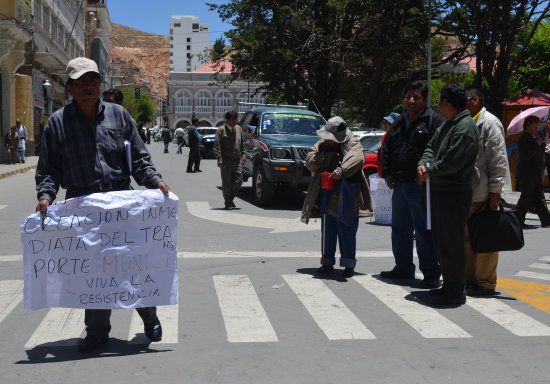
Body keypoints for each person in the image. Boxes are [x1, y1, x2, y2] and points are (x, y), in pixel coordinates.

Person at [35, 57, 171, 353]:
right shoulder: (58, 123)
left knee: (130, 263)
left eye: (93, 81)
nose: (88, 86)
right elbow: (49, 170)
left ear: (99, 84)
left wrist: (155, 181)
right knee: (94, 271)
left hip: (120, 199)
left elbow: (139, 159)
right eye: (81, 82)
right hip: (81, 205)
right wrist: (46, 196)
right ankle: (97, 333)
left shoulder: (119, 116)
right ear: (69, 87)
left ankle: (149, 315)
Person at [417, 83, 479, 306]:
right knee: (441, 243)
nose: (438, 104)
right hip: (439, 191)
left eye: (440, 100)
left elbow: (452, 162)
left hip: (453, 194)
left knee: (451, 244)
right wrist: (423, 164)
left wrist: (429, 169)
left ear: (449, 103)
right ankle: (449, 285)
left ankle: (455, 291)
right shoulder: (448, 124)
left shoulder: (465, 128)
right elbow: (431, 146)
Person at [379, 81, 445, 288]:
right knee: (399, 229)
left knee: (424, 230)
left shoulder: (434, 120)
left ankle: (431, 274)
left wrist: (425, 172)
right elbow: (387, 148)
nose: (410, 100)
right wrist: (388, 175)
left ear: (424, 100)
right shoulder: (399, 121)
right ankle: (403, 268)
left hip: (420, 185)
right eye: (408, 96)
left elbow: (438, 149)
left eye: (416, 97)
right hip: (399, 185)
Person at [301, 116, 372, 278]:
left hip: (346, 190)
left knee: (346, 227)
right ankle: (327, 262)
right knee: (327, 228)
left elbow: (357, 158)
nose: (326, 140)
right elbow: (310, 161)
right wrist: (322, 157)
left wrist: (341, 171)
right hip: (326, 188)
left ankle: (348, 264)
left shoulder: (352, 142)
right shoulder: (322, 144)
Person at [464, 86, 511, 296]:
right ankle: (471, 279)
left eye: (465, 100)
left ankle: (485, 283)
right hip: (468, 193)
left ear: (475, 100)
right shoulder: (466, 122)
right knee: (468, 239)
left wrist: (496, 192)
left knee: (487, 239)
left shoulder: (490, 123)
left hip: (485, 193)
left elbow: (498, 159)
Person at [515, 115, 550, 227]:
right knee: (526, 198)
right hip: (527, 174)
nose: (537, 128)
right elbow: (526, 155)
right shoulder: (524, 138)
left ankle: (546, 220)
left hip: (535, 174)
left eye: (538, 125)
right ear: (528, 126)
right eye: (535, 125)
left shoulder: (534, 138)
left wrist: (539, 143)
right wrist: (537, 145)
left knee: (539, 198)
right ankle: (518, 220)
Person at [213, 110, 245, 209]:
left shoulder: (239, 128)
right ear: (227, 120)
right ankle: (228, 202)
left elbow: (242, 144)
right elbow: (217, 146)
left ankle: (229, 199)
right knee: (226, 183)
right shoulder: (221, 130)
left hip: (237, 159)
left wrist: (243, 156)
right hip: (225, 160)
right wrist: (219, 159)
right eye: (231, 119)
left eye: (235, 119)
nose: (234, 121)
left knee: (239, 181)